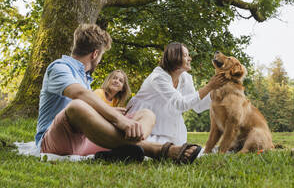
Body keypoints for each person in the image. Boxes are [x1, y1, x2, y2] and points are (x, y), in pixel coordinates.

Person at [35, 24, 202, 163]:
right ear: (95, 54)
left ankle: (122, 151)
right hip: (56, 141)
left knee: (146, 114)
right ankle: (159, 150)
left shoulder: (84, 77)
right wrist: (119, 120)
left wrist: (110, 113)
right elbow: (78, 94)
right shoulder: (59, 67)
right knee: (76, 106)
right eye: (101, 55)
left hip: (89, 138)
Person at [127, 42, 227, 145]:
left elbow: (198, 106)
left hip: (169, 127)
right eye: (185, 55)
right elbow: (181, 104)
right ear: (175, 57)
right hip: (144, 124)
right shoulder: (158, 77)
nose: (190, 59)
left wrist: (215, 92)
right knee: (148, 150)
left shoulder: (186, 78)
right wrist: (209, 86)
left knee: (182, 150)